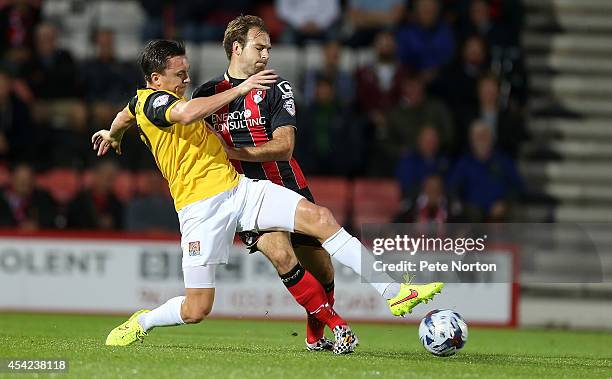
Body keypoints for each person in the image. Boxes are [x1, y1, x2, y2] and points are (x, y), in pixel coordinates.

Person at [92, 39, 443, 352]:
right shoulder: (156, 104)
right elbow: (186, 114)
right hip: (199, 211)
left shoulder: (138, 104)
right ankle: (143, 321)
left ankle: (394, 292)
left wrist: (114, 134)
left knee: (321, 218)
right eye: (179, 74)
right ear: (155, 80)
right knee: (196, 309)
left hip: (238, 190)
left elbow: (125, 115)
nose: (187, 79)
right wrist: (240, 88)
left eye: (187, 71)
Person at [192, 15, 358, 351]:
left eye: (269, 48)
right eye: (260, 47)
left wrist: (233, 150)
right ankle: (338, 325)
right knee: (281, 254)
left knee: (323, 267)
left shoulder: (276, 86)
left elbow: (285, 146)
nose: (266, 54)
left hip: (286, 187)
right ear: (236, 48)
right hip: (240, 196)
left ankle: (314, 336)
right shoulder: (207, 94)